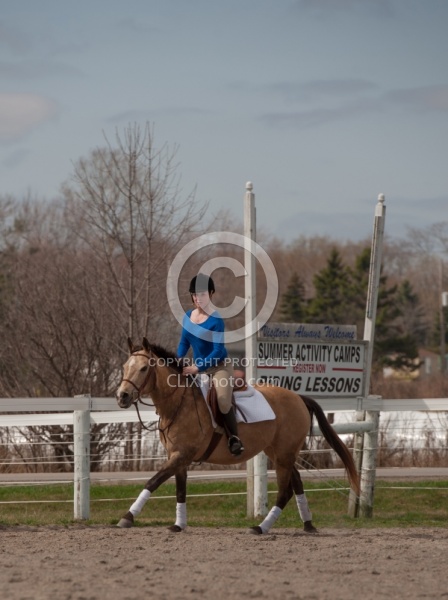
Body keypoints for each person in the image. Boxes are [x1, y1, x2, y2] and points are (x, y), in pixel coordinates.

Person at [177, 273, 244, 456]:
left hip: (219, 367)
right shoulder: (188, 317)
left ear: (211, 294)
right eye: (195, 294)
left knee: (222, 402)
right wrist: (177, 358)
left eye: (203, 294)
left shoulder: (216, 321)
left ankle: (234, 439)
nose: (199, 298)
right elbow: (184, 342)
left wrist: (197, 368)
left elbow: (216, 351)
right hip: (197, 369)